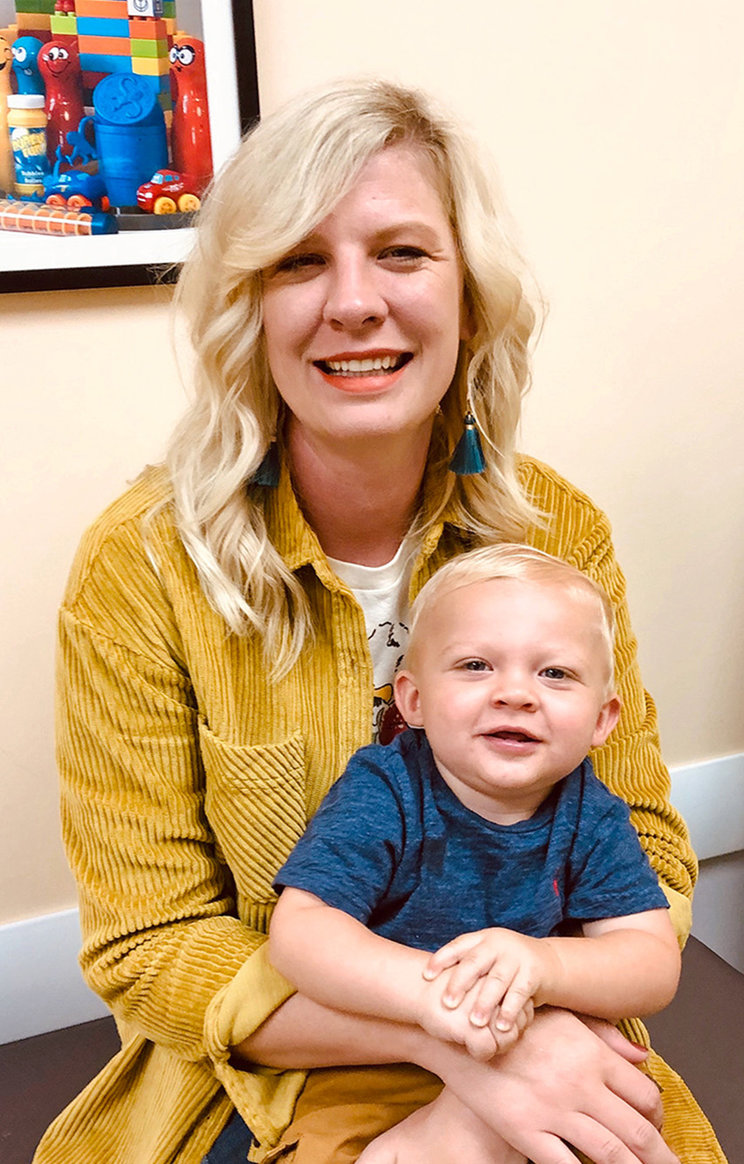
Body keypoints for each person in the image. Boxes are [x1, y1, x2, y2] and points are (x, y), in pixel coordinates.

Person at [33, 79, 725, 1164]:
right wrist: (466, 1043)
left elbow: (643, 853)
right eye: (300, 261)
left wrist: (533, 1004)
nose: (352, 302)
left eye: (401, 252)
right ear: (250, 307)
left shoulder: (561, 531)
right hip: (277, 1068)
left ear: (471, 296)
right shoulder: (143, 565)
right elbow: (156, 948)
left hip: (553, 1028)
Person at [267, 544, 682, 1162]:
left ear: (602, 720)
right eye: (475, 666)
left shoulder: (592, 816)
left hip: (533, 1044)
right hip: (373, 1056)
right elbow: (300, 933)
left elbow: (651, 963)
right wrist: (437, 1000)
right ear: (411, 701)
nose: (516, 693)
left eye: (555, 674)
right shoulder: (386, 791)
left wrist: (544, 965)